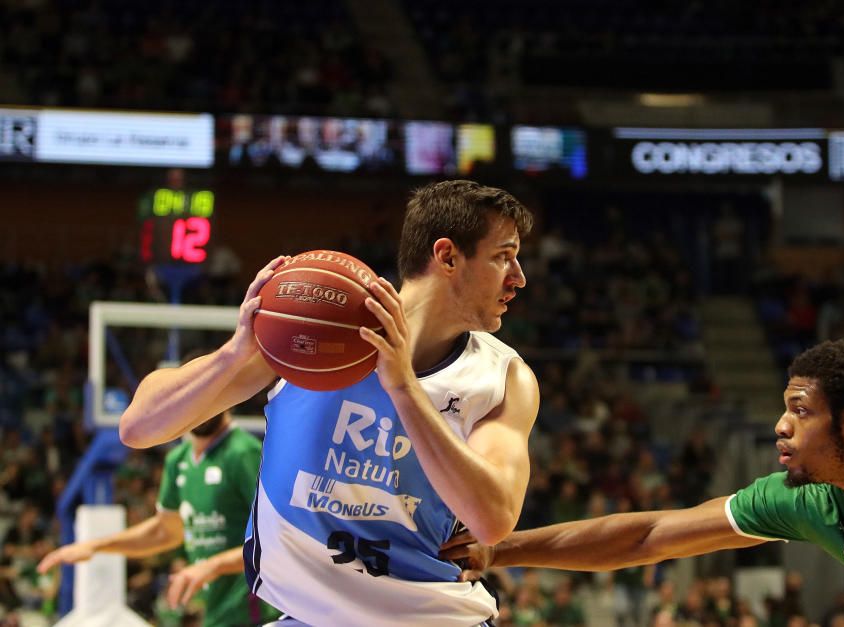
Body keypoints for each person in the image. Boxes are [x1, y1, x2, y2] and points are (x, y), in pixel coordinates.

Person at [118, 180, 540, 626]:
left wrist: (404, 390)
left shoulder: (503, 378)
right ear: (448, 257)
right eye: (503, 256)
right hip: (307, 616)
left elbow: (493, 519)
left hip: (433, 616)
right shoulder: (319, 332)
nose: (519, 277)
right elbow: (139, 427)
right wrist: (233, 354)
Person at [442, 340, 844, 626]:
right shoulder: (805, 502)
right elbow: (650, 535)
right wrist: (501, 551)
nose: (780, 426)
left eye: (800, 411)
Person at [38, 400, 279, 627]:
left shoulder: (243, 452)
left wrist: (212, 566)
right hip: (214, 610)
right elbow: (165, 532)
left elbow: (274, 540)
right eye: (194, 398)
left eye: (212, 397)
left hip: (253, 611)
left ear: (228, 398)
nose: (202, 406)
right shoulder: (178, 460)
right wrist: (94, 546)